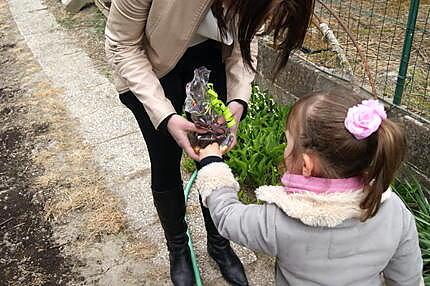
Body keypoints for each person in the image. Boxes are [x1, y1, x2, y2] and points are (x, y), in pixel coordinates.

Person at [104, 0, 315, 285]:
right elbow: (123, 44)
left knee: (212, 155)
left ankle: (219, 243)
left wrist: (239, 97)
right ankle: (178, 248)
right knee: (164, 159)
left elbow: (245, 37)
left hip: (207, 56)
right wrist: (165, 116)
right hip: (147, 65)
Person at [196, 90, 424, 285]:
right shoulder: (394, 212)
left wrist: (211, 163)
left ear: (306, 165)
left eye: (288, 142)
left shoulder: (280, 220)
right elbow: (407, 280)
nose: (285, 149)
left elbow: (226, 216)